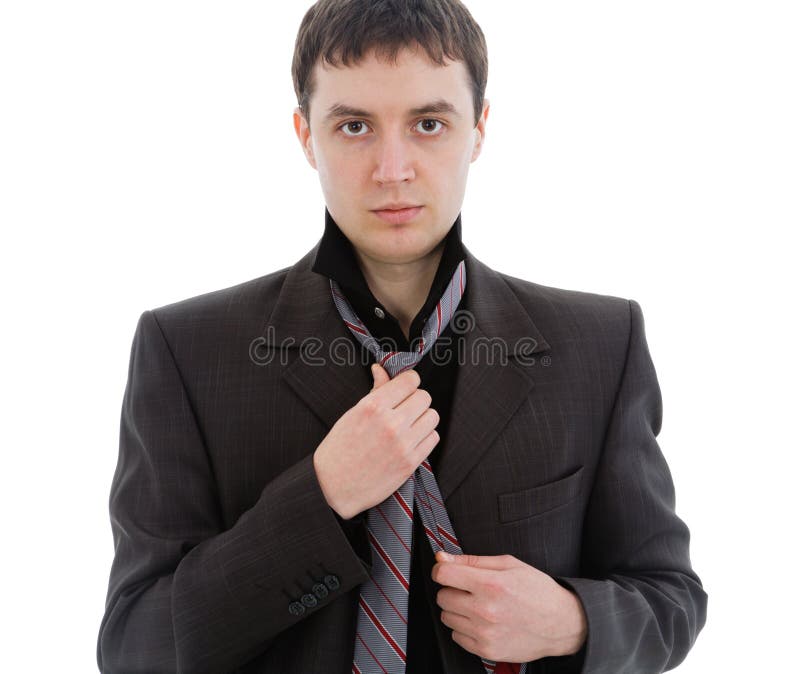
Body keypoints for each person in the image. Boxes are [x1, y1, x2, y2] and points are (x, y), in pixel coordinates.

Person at [97, 1, 707, 672]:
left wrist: (573, 621)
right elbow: (135, 645)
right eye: (354, 125)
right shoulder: (185, 350)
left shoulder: (602, 345)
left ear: (478, 129)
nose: (393, 169)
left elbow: (671, 596)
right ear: (306, 136)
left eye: (428, 123)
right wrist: (323, 497)